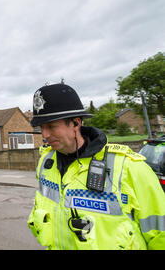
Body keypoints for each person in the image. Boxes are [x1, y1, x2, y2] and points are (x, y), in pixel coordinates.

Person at [27, 83, 165, 250]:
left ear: (76, 123)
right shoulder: (45, 163)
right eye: (41, 127)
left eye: (51, 126)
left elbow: (160, 235)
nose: (44, 135)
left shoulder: (130, 168)